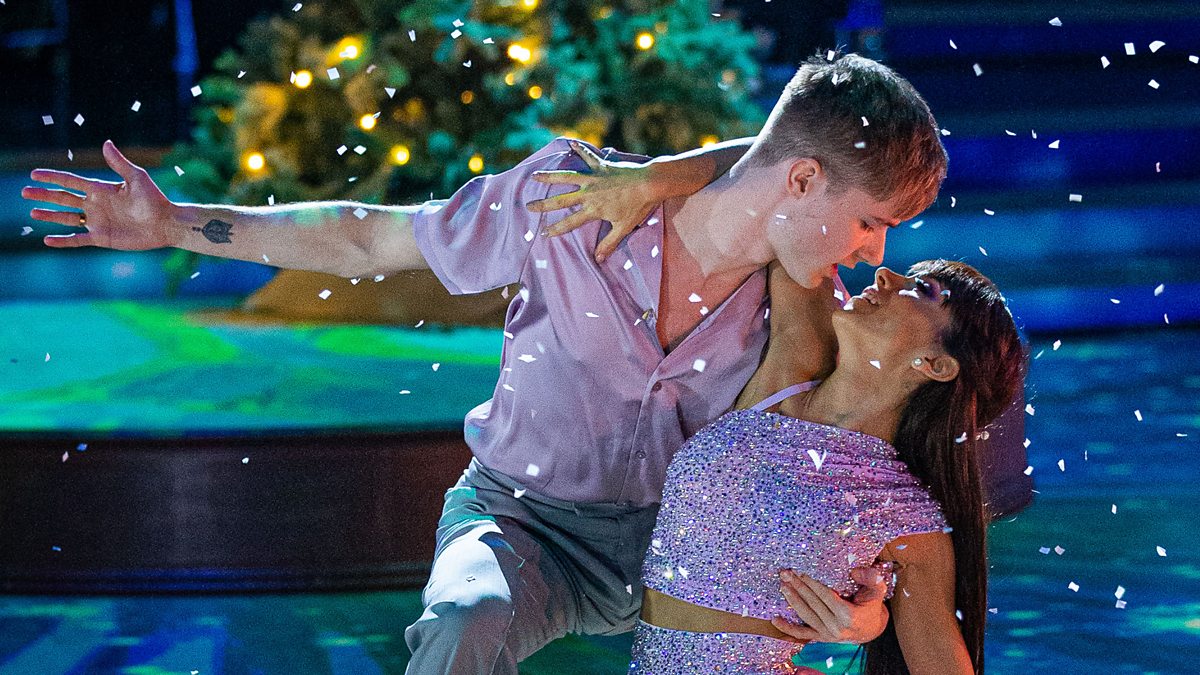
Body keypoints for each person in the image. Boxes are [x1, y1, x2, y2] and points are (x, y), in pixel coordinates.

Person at [22, 52, 947, 673]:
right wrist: (176, 223)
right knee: (466, 619)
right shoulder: (570, 198)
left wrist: (864, 606)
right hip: (521, 518)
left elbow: (851, 479)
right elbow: (370, 239)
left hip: (679, 551)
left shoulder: (811, 305)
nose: (875, 252)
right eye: (872, 222)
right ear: (802, 181)